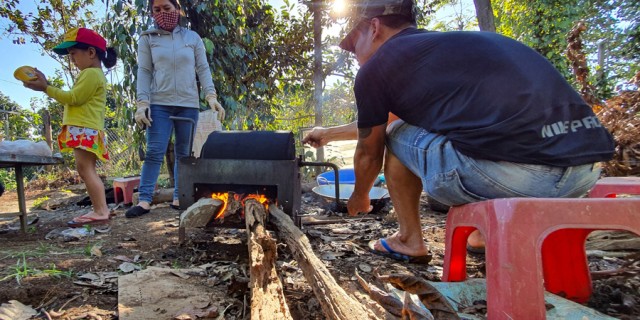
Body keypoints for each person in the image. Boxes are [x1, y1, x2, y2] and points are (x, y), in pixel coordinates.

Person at [303, 0, 614, 263]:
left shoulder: (377, 67)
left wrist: (359, 198)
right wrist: (328, 133)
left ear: (374, 27)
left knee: (397, 137)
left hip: (520, 177)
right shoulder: (451, 50)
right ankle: (481, 236)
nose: (356, 59)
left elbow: (375, 145)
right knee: (452, 135)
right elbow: (386, 120)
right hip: (584, 173)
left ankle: (409, 240)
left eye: (354, 46)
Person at [125, 0, 225, 218]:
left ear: (177, 9)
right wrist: (142, 104)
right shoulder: (147, 38)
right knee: (154, 151)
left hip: (188, 104)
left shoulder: (192, 38)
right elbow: (144, 71)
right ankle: (144, 200)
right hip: (159, 103)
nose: (162, 13)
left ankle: (180, 196)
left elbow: (203, 68)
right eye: (157, 10)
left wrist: (211, 96)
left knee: (183, 153)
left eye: (167, 8)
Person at [23, 27, 118, 228]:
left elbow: (73, 98)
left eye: (74, 53)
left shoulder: (91, 74)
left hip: (85, 128)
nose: (72, 59)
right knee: (87, 169)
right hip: (88, 128)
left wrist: (46, 87)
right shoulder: (93, 74)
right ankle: (100, 209)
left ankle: (101, 210)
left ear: (91, 52)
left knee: (85, 170)